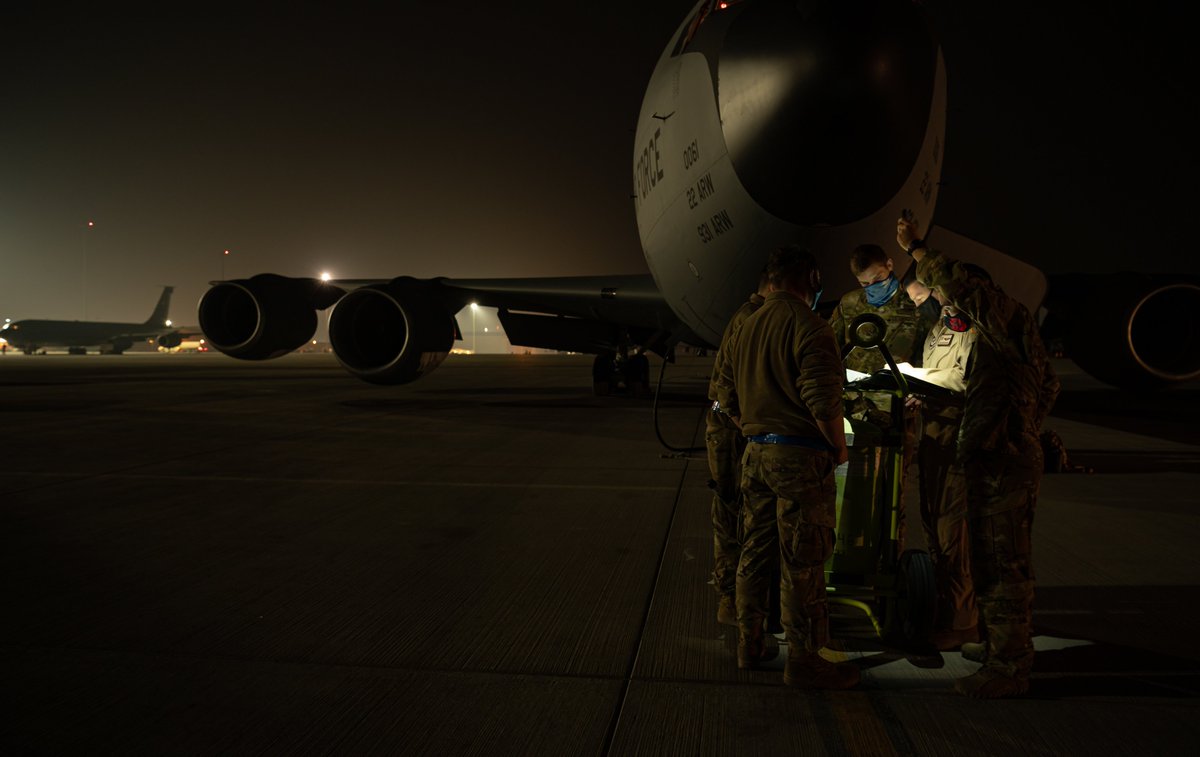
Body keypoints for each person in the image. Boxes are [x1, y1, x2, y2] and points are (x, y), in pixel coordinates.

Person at [897, 217, 1060, 699]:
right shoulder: (988, 330)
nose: (944, 303)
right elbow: (1047, 386)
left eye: (951, 295)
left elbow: (1043, 387)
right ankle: (995, 646)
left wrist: (919, 250)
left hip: (1003, 460)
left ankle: (1008, 667)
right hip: (986, 453)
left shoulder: (1003, 317)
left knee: (1004, 563)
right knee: (987, 558)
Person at [715, 244, 859, 689]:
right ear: (812, 281)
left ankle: (750, 642)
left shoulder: (746, 325)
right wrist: (837, 447)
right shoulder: (812, 327)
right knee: (804, 559)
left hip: (755, 454)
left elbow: (728, 402)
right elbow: (823, 401)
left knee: (754, 553)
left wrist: (759, 431)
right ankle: (804, 659)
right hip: (799, 458)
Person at [905, 277, 979, 652]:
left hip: (957, 443)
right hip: (933, 439)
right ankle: (946, 608)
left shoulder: (977, 329)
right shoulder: (941, 327)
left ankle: (962, 620)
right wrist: (919, 392)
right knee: (933, 524)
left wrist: (918, 378)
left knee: (953, 532)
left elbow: (963, 379)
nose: (938, 301)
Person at [706, 270, 769, 626]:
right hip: (731, 431)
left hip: (733, 426)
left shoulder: (751, 315)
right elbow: (727, 390)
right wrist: (749, 427)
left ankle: (739, 596)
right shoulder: (751, 319)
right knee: (731, 510)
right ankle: (730, 597)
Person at [829, 243, 931, 374]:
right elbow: (830, 346)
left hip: (896, 390)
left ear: (889, 265)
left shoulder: (915, 303)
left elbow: (923, 357)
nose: (872, 286)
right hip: (853, 391)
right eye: (865, 283)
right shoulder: (850, 303)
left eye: (877, 279)